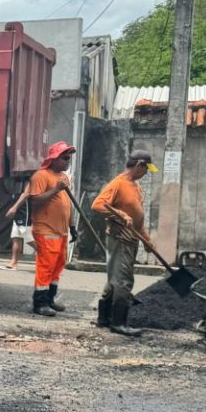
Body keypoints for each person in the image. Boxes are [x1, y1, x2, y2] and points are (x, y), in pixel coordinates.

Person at [91, 151, 158, 337]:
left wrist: (146, 239)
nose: (146, 173)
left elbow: (138, 217)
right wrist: (121, 215)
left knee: (114, 279)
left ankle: (104, 318)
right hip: (120, 238)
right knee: (123, 280)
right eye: (146, 169)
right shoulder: (118, 183)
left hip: (132, 237)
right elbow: (98, 204)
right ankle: (119, 323)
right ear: (139, 165)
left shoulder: (134, 186)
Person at [24, 141, 78, 316]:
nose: (68, 161)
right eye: (64, 157)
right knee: (46, 266)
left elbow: (67, 204)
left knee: (58, 266)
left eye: (69, 158)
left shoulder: (64, 178)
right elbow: (34, 200)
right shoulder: (41, 176)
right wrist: (55, 190)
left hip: (61, 231)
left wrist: (72, 226)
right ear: (54, 159)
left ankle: (50, 299)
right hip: (45, 229)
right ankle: (39, 303)